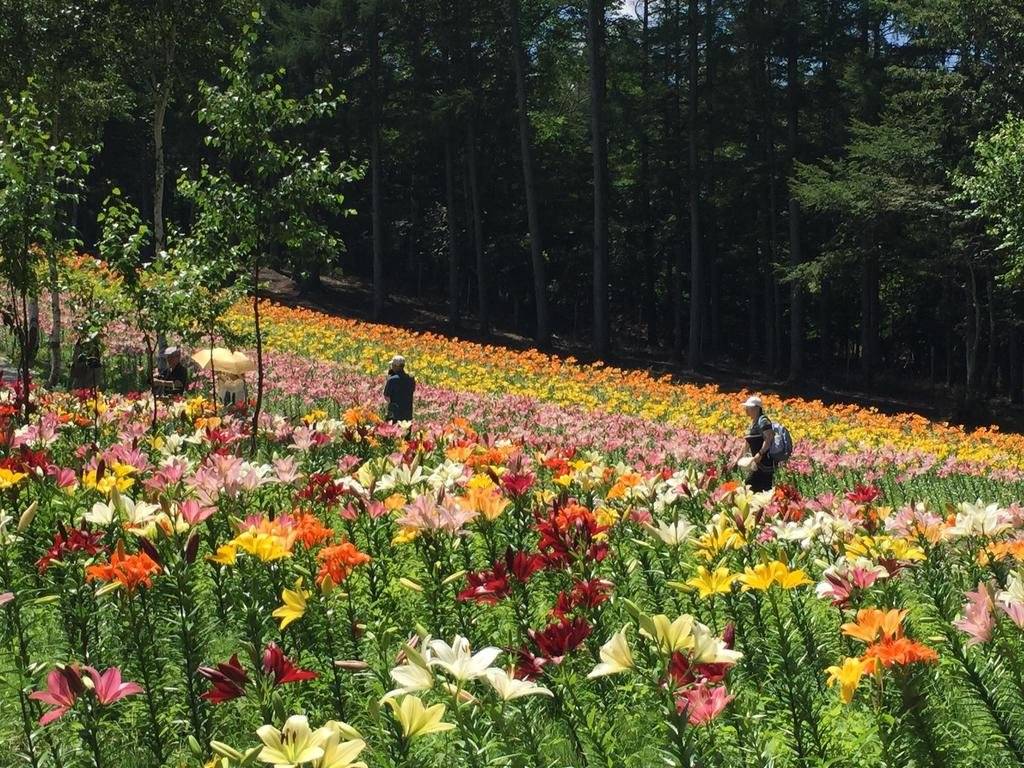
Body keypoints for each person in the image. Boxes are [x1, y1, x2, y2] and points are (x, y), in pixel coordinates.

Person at [742, 395, 776, 492]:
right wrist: (739, 458)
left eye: (749, 408)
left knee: (753, 487)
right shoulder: (753, 423)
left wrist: (760, 453)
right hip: (757, 463)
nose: (746, 410)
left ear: (757, 408)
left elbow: (769, 438)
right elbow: (747, 442)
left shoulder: (763, 420)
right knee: (753, 488)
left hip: (765, 463)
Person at [383, 355, 415, 422]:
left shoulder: (392, 380)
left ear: (395, 366)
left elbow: (386, 396)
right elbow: (412, 391)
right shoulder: (411, 379)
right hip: (408, 414)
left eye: (392, 365)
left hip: (395, 414)